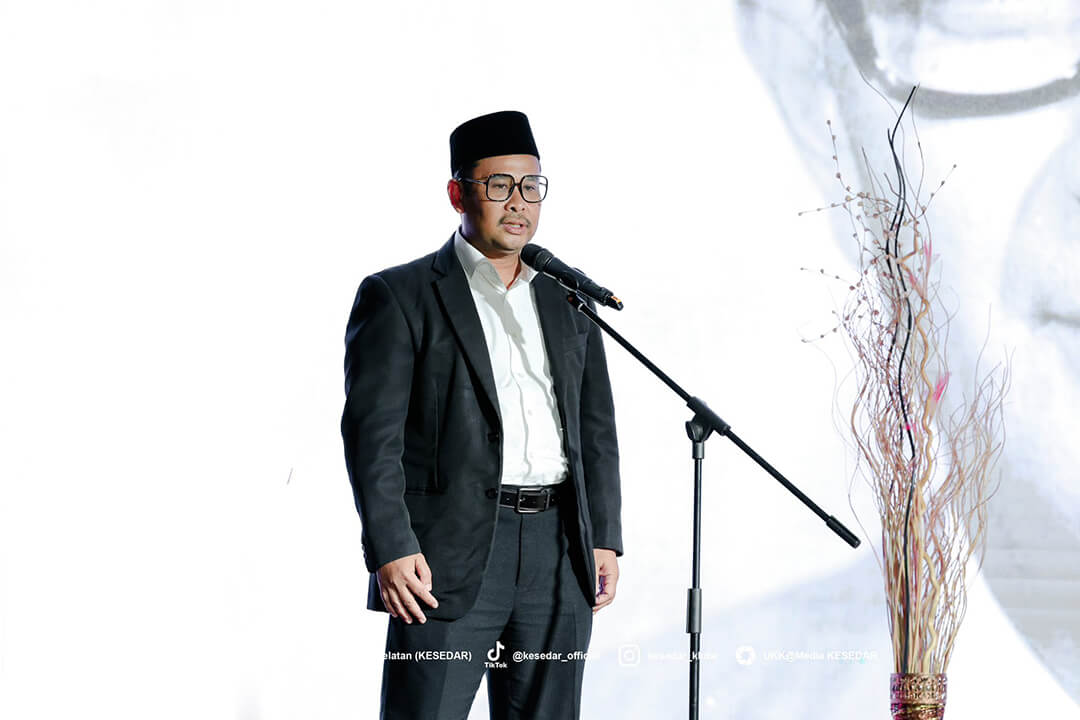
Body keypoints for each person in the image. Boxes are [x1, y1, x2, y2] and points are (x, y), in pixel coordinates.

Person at [340, 109, 624, 719]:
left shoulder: (568, 296)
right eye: (499, 185)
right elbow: (372, 439)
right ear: (457, 194)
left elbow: (595, 429)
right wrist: (390, 546)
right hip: (444, 556)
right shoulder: (401, 295)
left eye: (531, 186)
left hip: (558, 551)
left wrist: (603, 536)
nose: (518, 202)